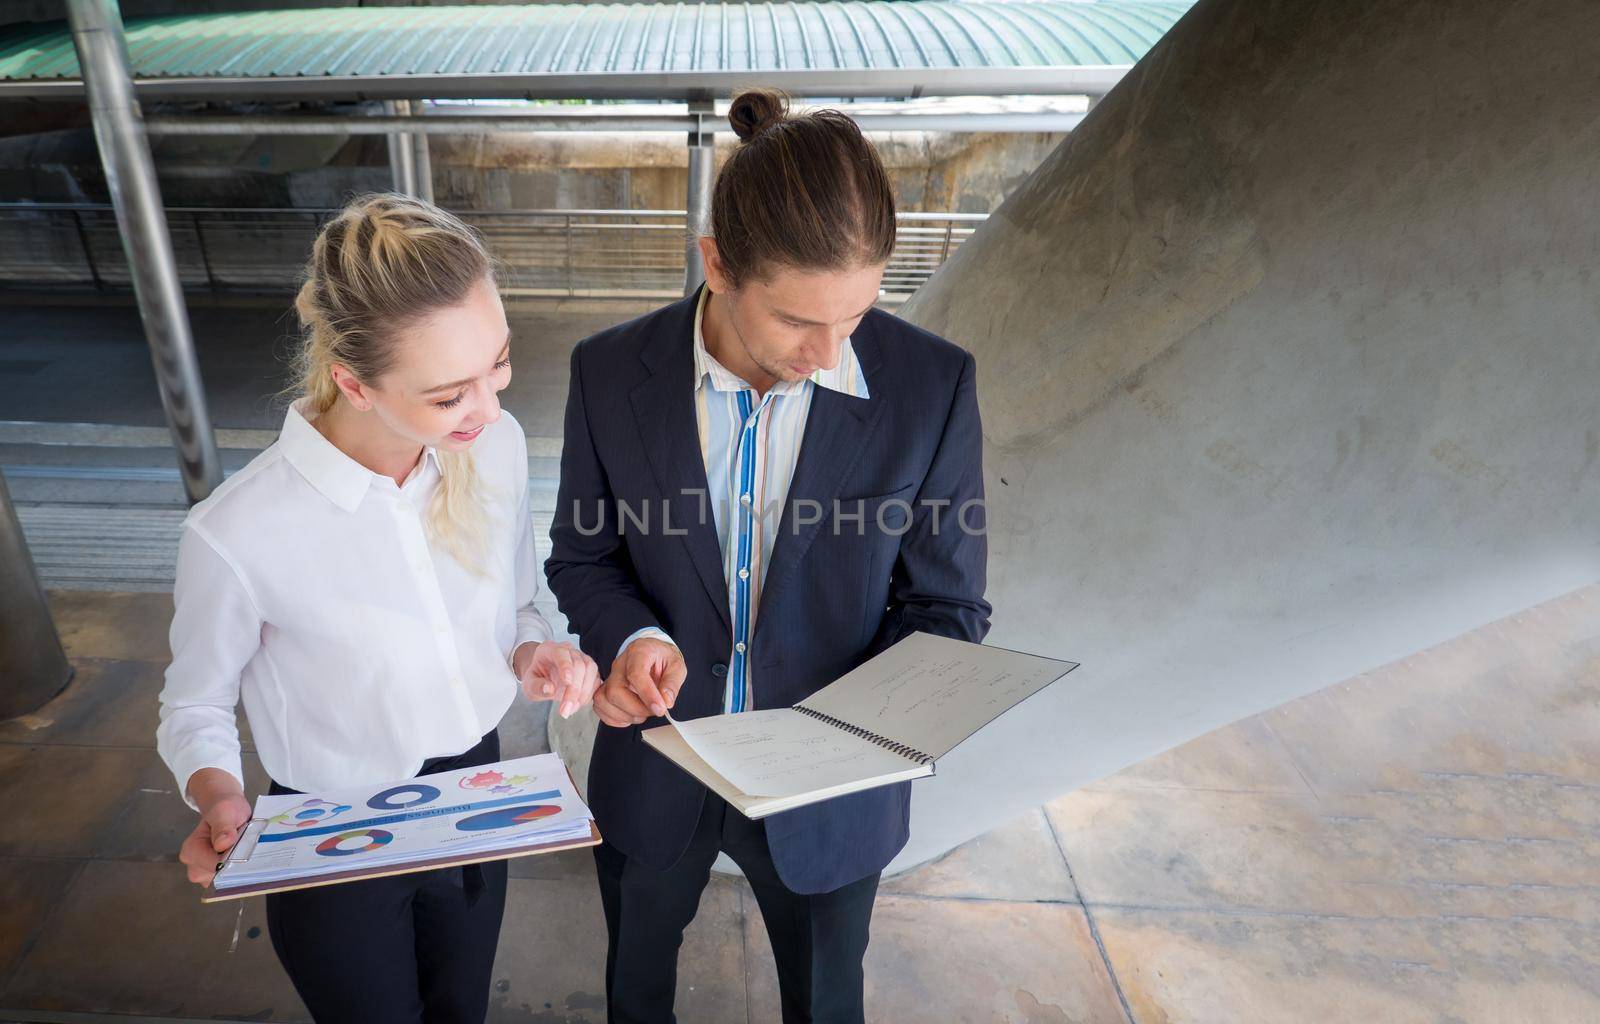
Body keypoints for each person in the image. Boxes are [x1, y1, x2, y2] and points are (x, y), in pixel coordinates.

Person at [545, 89, 992, 1024]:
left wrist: (875, 724)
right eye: (798, 321)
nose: (830, 356)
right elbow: (582, 559)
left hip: (833, 799)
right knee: (635, 995)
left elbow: (947, 607)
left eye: (858, 317)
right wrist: (628, 641)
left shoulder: (934, 387)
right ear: (716, 264)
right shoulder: (604, 371)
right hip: (657, 763)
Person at [156, 193, 601, 1024]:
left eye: (499, 363)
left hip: (476, 790)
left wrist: (531, 651)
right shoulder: (235, 532)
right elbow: (196, 703)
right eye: (449, 395)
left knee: (461, 1010)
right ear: (352, 383)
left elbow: (520, 601)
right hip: (328, 832)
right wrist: (218, 795)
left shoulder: (492, 448)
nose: (492, 408)